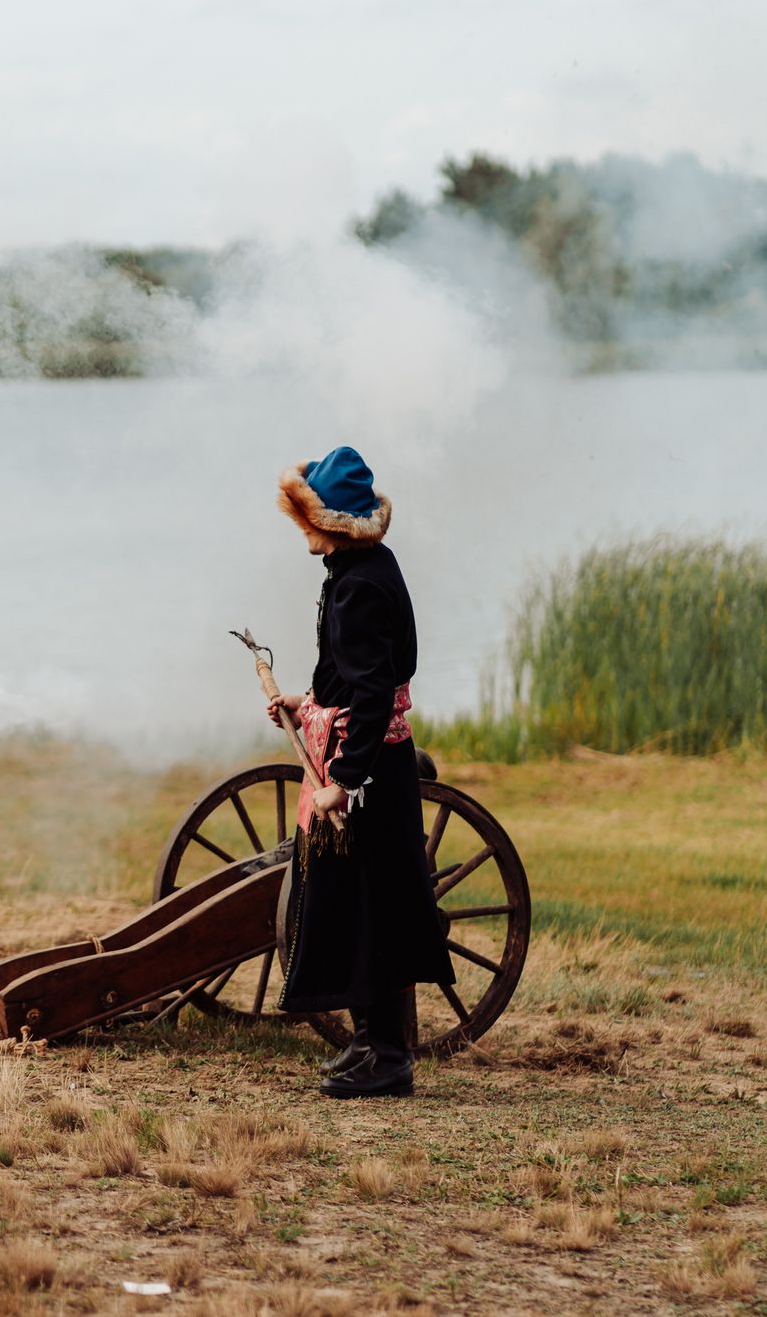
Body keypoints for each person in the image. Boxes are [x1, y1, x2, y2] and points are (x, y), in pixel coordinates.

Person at [267, 447, 454, 1100]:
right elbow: (356, 679)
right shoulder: (359, 569)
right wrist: (309, 703)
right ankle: (370, 1041)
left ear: (334, 524)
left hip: (368, 772)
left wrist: (344, 780)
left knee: (374, 911)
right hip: (361, 758)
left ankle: (391, 1057)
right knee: (354, 907)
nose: (302, 530)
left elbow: (374, 695)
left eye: (307, 519)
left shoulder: (360, 586)